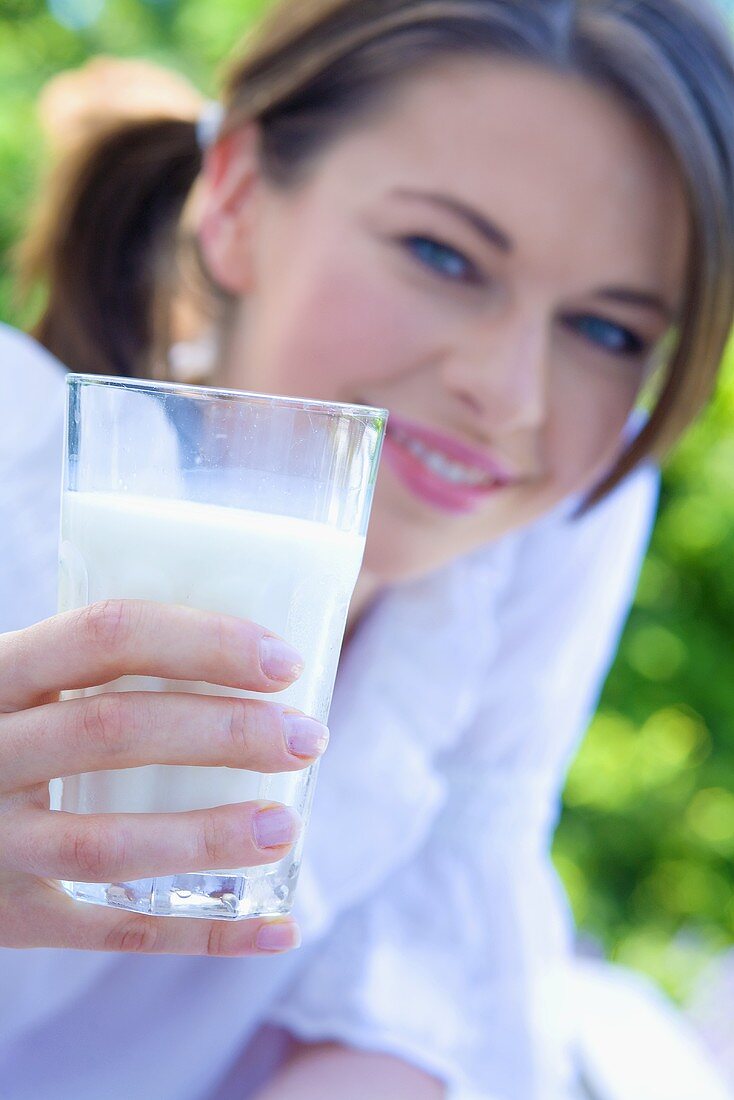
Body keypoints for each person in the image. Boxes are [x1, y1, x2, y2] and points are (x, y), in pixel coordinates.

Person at [1, 1, 733, 1097]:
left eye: (607, 330)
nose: (510, 394)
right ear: (239, 198)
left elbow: (438, 940)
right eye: (441, 253)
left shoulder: (550, 517)